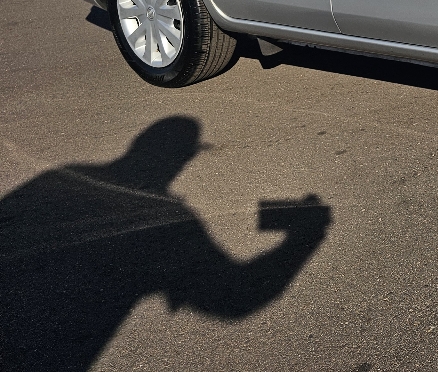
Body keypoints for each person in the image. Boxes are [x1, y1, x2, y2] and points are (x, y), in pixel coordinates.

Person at [0, 116, 330, 371]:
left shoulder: (63, 177)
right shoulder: (165, 214)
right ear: (184, 157)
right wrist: (304, 237)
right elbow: (235, 299)